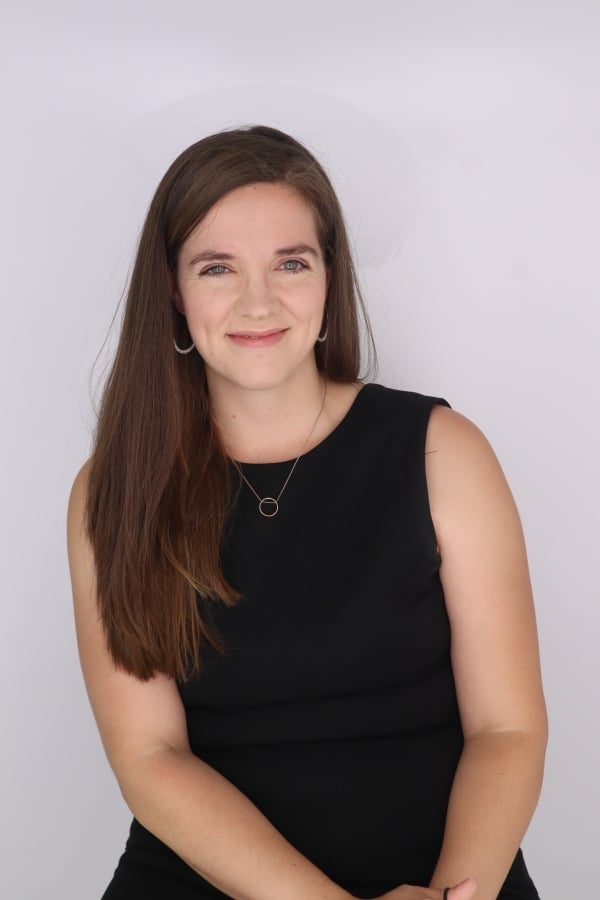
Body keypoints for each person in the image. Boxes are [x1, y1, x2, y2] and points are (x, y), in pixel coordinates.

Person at [67, 125, 547, 900]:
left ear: (329, 279)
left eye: (291, 262)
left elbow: (508, 729)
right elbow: (152, 759)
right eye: (217, 267)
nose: (259, 301)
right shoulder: (114, 488)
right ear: (172, 290)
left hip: (449, 881)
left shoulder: (441, 451)